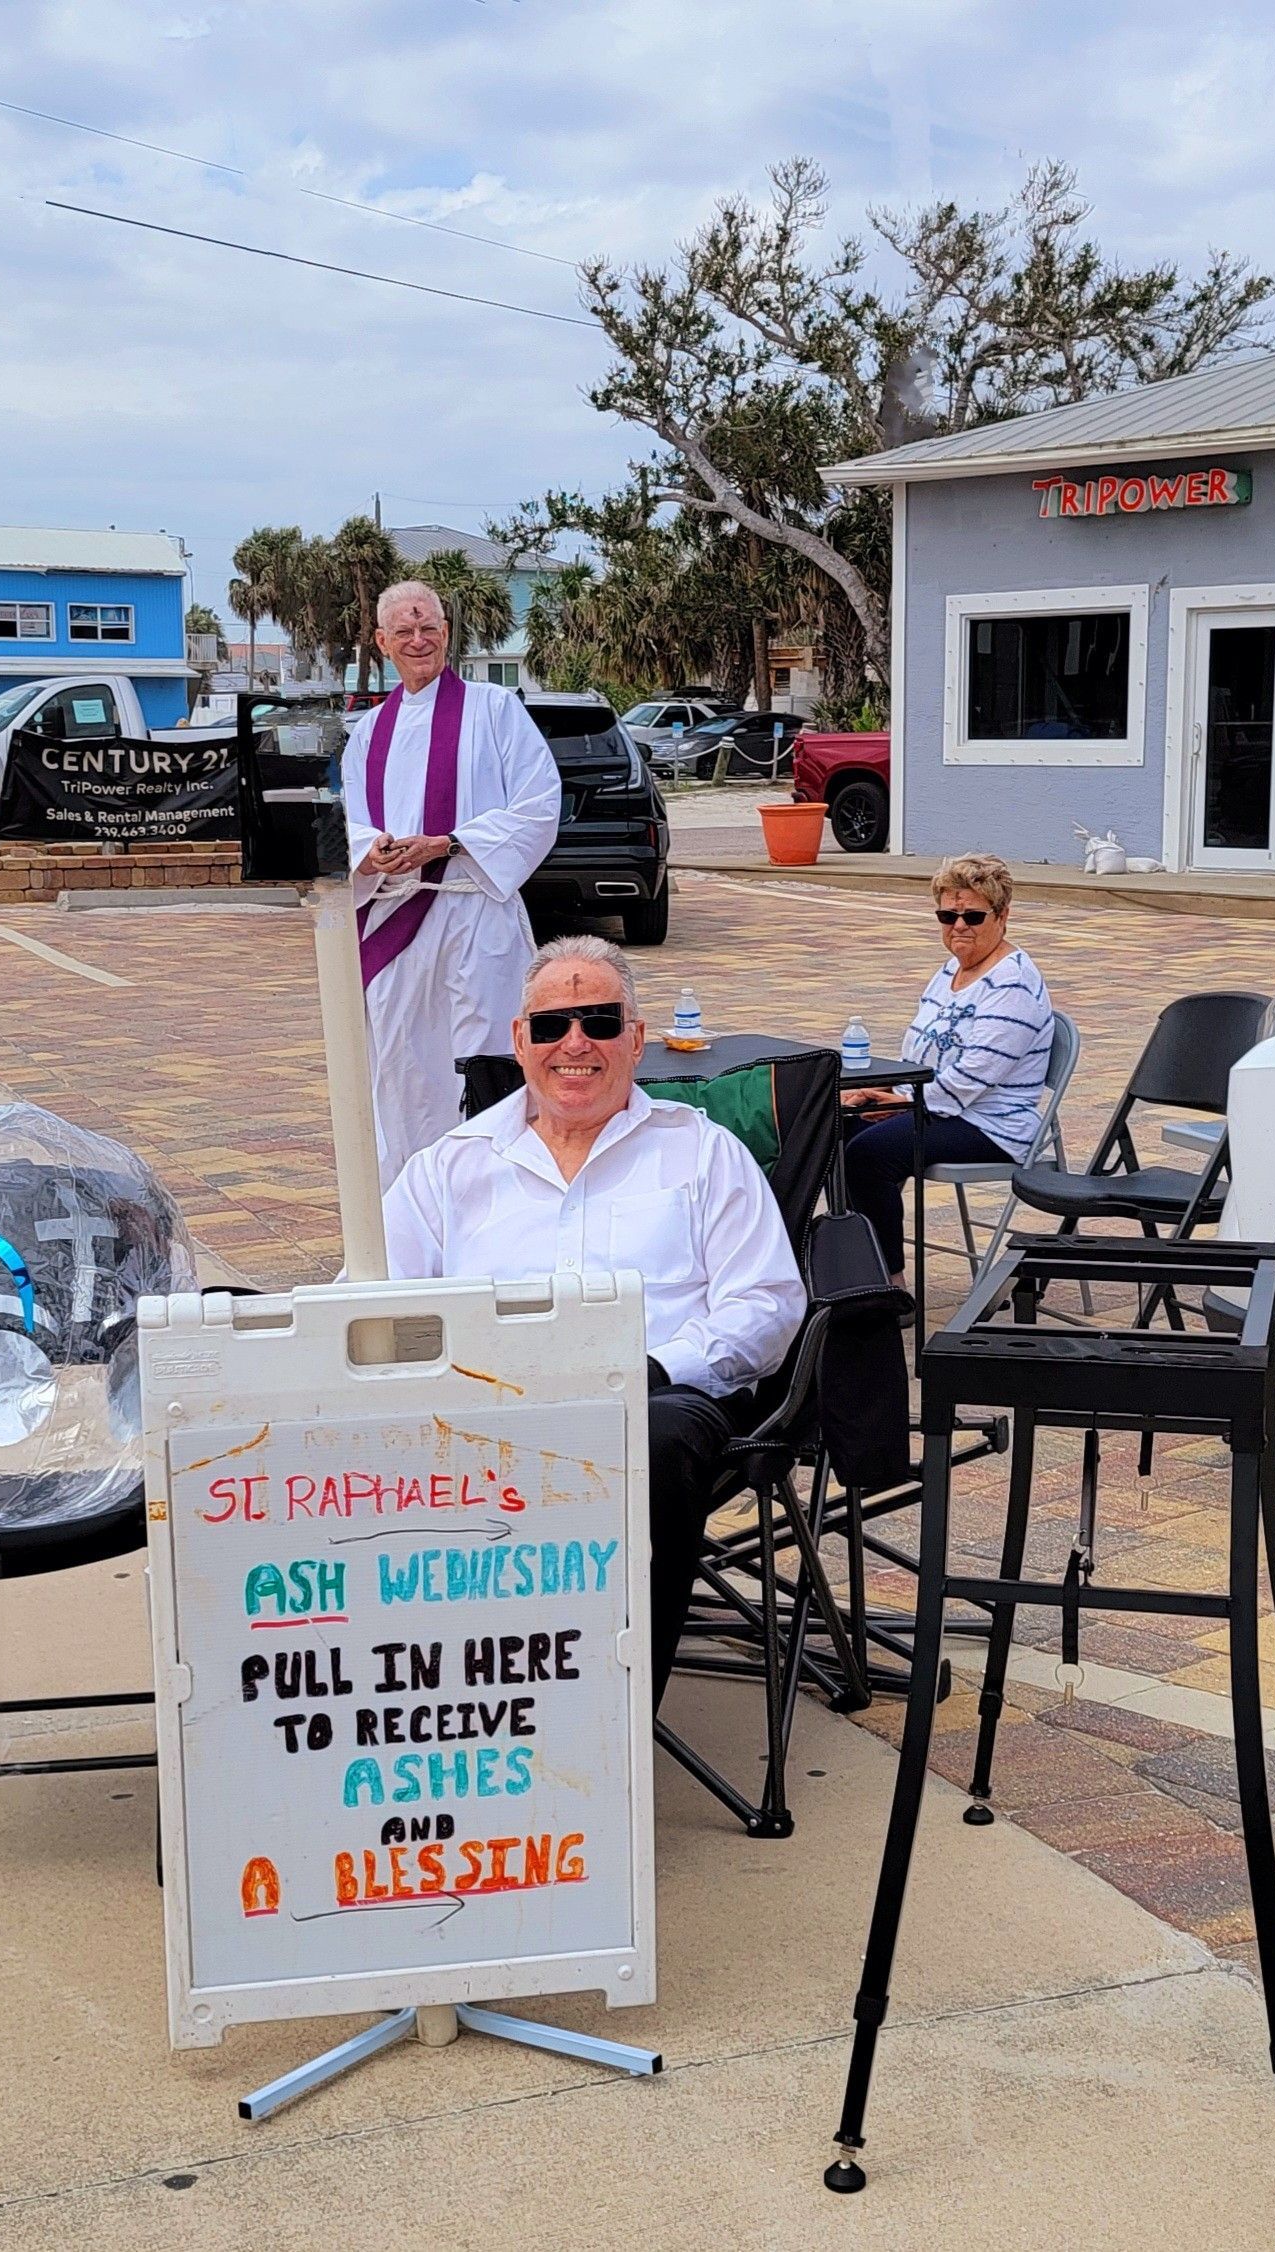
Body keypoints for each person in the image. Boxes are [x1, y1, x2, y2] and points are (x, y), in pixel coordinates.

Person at [383, 932, 806, 1708]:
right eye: (551, 1024)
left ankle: (605, 1725)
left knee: (652, 1433)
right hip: (482, 1405)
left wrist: (654, 1367)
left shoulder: (704, 1155)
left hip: (655, 1404)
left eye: (600, 1021)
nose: (574, 1043)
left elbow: (768, 1304)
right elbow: (370, 1299)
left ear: (636, 1039)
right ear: (519, 1041)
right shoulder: (448, 1167)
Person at [343, 582, 562, 1187]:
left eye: (430, 627)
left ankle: (498, 1200)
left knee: (487, 1062)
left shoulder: (494, 710)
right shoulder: (367, 734)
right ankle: (410, 1216)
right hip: (396, 921)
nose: (420, 640)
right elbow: (346, 821)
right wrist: (373, 850)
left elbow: (541, 803)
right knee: (403, 1073)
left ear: (447, 632)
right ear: (382, 642)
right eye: (404, 631)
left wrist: (448, 843)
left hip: (475, 915)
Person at [843, 852, 1055, 1290]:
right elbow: (918, 1052)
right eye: (948, 915)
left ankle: (887, 1287)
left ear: (1002, 917)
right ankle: (850, 1268)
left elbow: (969, 1081)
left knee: (869, 1154)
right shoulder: (951, 970)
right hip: (935, 1107)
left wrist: (900, 1104)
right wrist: (874, 1090)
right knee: (835, 1130)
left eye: (973, 916)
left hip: (992, 1124)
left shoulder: (1012, 984)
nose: (959, 926)